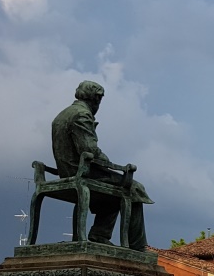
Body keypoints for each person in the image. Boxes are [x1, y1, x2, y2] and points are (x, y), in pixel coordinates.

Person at [52, 80, 152, 251]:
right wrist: (116, 167)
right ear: (96, 99)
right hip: (83, 173)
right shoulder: (82, 115)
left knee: (115, 192)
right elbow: (90, 151)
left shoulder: (62, 114)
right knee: (134, 188)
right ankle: (137, 246)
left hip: (67, 171)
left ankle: (99, 235)